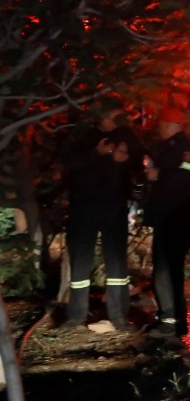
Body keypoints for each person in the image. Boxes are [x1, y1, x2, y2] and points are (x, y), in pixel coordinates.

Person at [61, 97, 145, 331]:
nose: (114, 122)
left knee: (116, 263)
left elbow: (139, 163)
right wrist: (96, 153)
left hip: (114, 207)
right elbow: (68, 162)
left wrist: (127, 159)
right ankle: (76, 315)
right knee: (80, 261)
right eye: (111, 116)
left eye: (118, 117)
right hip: (83, 207)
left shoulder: (126, 136)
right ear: (101, 116)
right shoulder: (83, 135)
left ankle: (118, 316)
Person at [143, 105, 190, 337]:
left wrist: (159, 175)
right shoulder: (170, 148)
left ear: (170, 125)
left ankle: (174, 323)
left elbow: (186, 179)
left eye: (162, 124)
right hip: (167, 219)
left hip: (176, 220)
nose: (159, 129)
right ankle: (167, 318)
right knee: (162, 271)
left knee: (169, 272)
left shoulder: (185, 149)